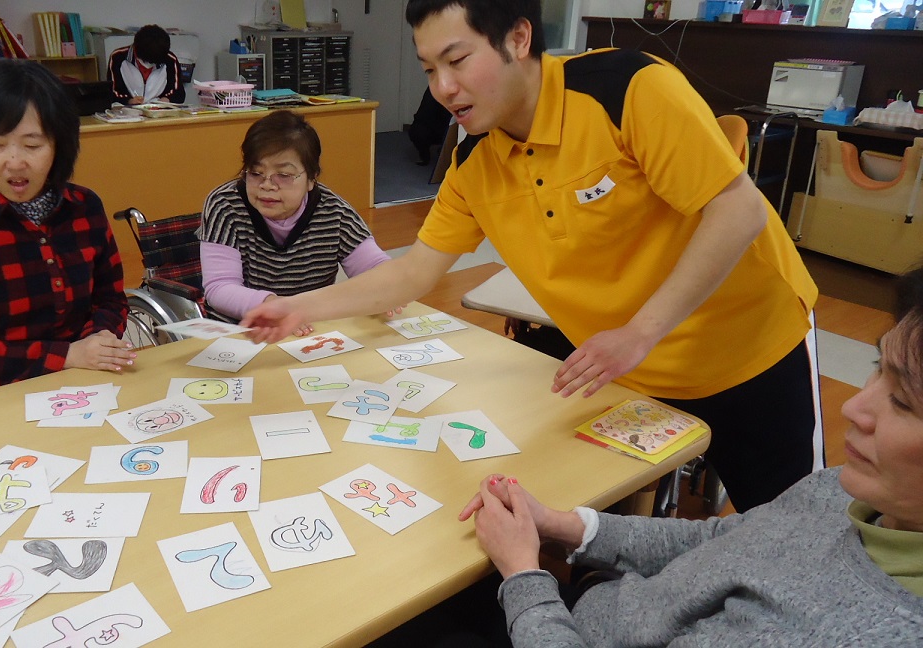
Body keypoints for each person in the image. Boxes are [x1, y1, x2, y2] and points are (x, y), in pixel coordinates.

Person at [241, 0, 820, 512]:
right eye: (429, 70)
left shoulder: (627, 90)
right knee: (612, 540)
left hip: (748, 350)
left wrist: (639, 332)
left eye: (457, 60)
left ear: (518, 39)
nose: (442, 88)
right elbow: (412, 274)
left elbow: (738, 210)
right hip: (621, 374)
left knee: (793, 538)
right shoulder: (475, 163)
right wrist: (298, 307)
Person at [458, 263, 923, 646]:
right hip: (601, 611)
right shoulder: (843, 493)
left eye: (902, 402)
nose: (853, 408)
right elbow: (726, 540)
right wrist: (564, 525)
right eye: (878, 368)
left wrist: (523, 575)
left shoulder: (861, 631)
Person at [0, 59, 134, 404]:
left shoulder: (84, 206)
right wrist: (67, 355)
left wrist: (97, 342)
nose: (15, 163)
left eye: (33, 146)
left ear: (60, 143)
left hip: (80, 380)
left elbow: (110, 299)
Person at [198, 110, 391, 330]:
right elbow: (219, 288)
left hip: (311, 332)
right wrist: (275, 307)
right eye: (255, 173)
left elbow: (377, 268)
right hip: (241, 332)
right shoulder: (225, 205)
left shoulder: (334, 212)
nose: (267, 185)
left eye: (284, 175)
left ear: (311, 178)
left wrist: (386, 289)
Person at [107, 24, 186, 105]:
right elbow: (112, 93)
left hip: (159, 109)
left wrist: (166, 100)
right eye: (146, 61)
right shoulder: (118, 57)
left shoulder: (169, 59)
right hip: (127, 110)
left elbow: (179, 93)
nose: (148, 66)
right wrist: (129, 101)